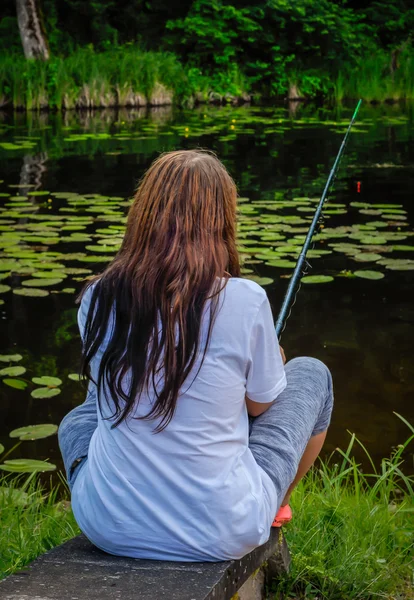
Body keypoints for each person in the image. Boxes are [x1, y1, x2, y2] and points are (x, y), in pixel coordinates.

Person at [58, 149, 333, 562]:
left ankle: (126, 501)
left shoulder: (96, 297)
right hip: (224, 530)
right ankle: (272, 505)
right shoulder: (245, 299)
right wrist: (266, 362)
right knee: (312, 373)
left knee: (81, 414)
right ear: (221, 222)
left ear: (143, 215)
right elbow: (260, 405)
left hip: (107, 526)